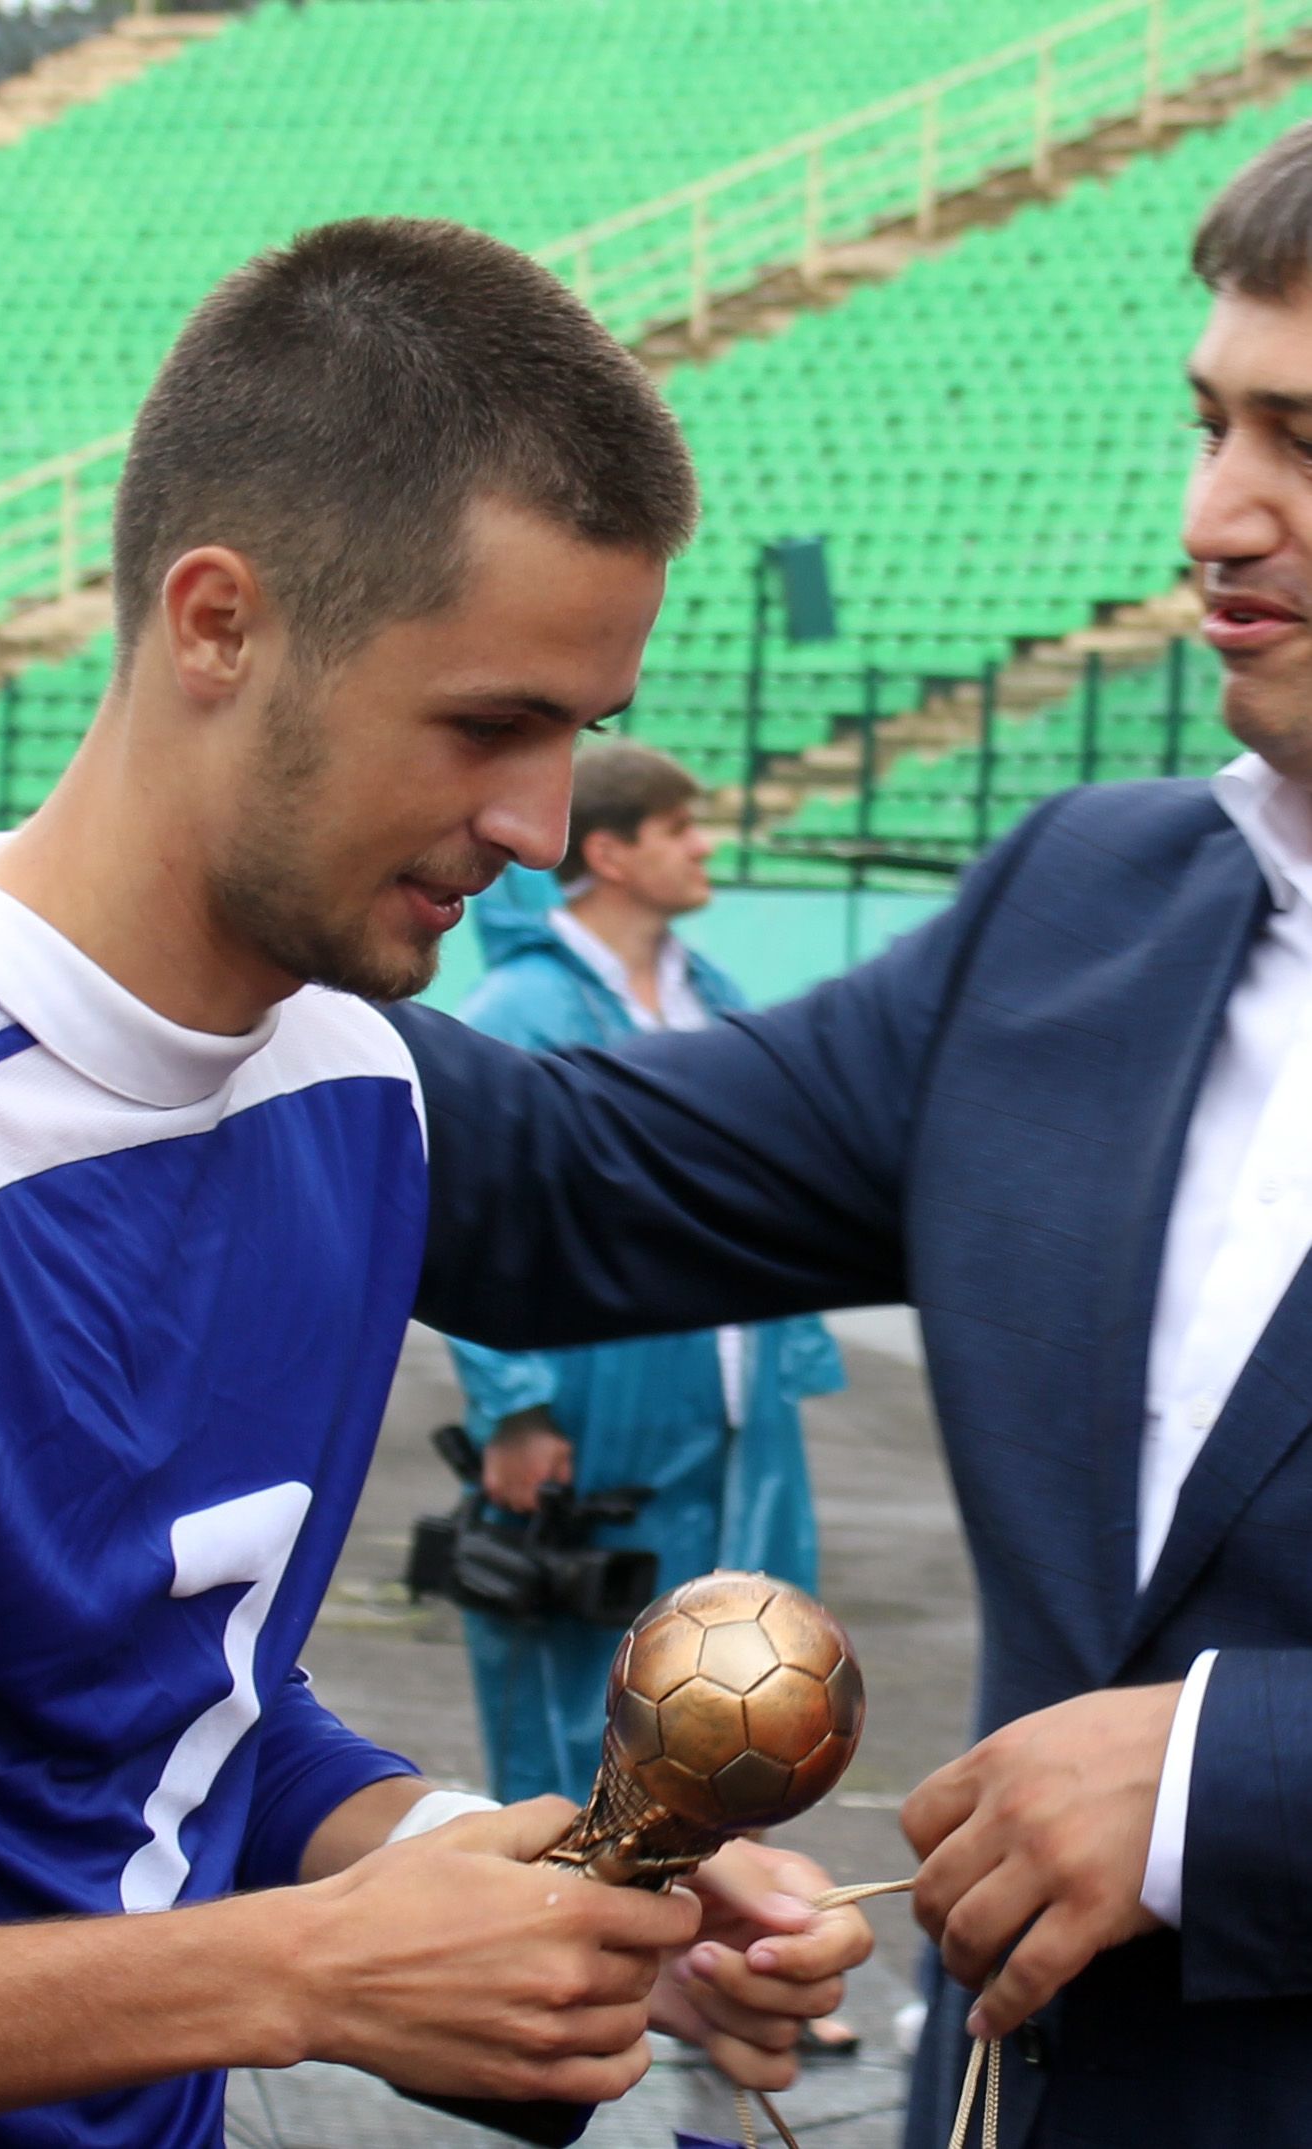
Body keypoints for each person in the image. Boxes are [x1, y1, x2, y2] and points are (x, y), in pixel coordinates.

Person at [0, 220, 870, 2149]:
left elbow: (162, 1715)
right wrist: (299, 1969)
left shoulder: (353, 1079)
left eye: (577, 734)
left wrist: (493, 1888)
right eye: (483, 723)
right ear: (214, 621)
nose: (540, 828)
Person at [383, 124, 1312, 2149]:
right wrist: (152, 907)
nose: (1214, 514)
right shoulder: (1086, 906)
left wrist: (1232, 1781)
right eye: (1208, 422)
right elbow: (559, 1184)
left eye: (1300, 441)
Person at [447, 739, 842, 1809]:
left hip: (730, 1406)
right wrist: (514, 1406)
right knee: (586, 1682)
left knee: (729, 1674)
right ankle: (557, 1912)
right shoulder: (519, 1010)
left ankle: (694, 1931)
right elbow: (471, 1210)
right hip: (597, 1402)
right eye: (678, 828)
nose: (703, 844)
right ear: (612, 853)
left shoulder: (710, 995)